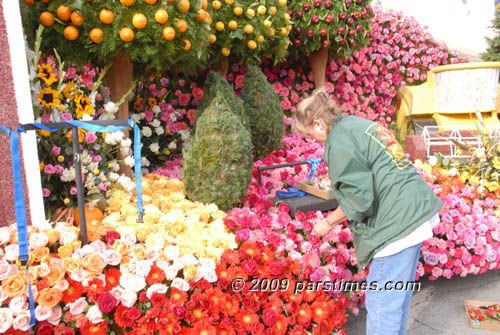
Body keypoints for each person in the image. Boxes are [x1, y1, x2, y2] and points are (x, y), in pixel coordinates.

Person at [291, 88, 443, 335]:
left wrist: (327, 223)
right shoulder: (356, 124)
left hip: (395, 226)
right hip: (413, 213)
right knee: (395, 299)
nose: (314, 141)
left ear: (318, 123)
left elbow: (359, 200)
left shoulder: (338, 140)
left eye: (310, 135)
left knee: (383, 305)